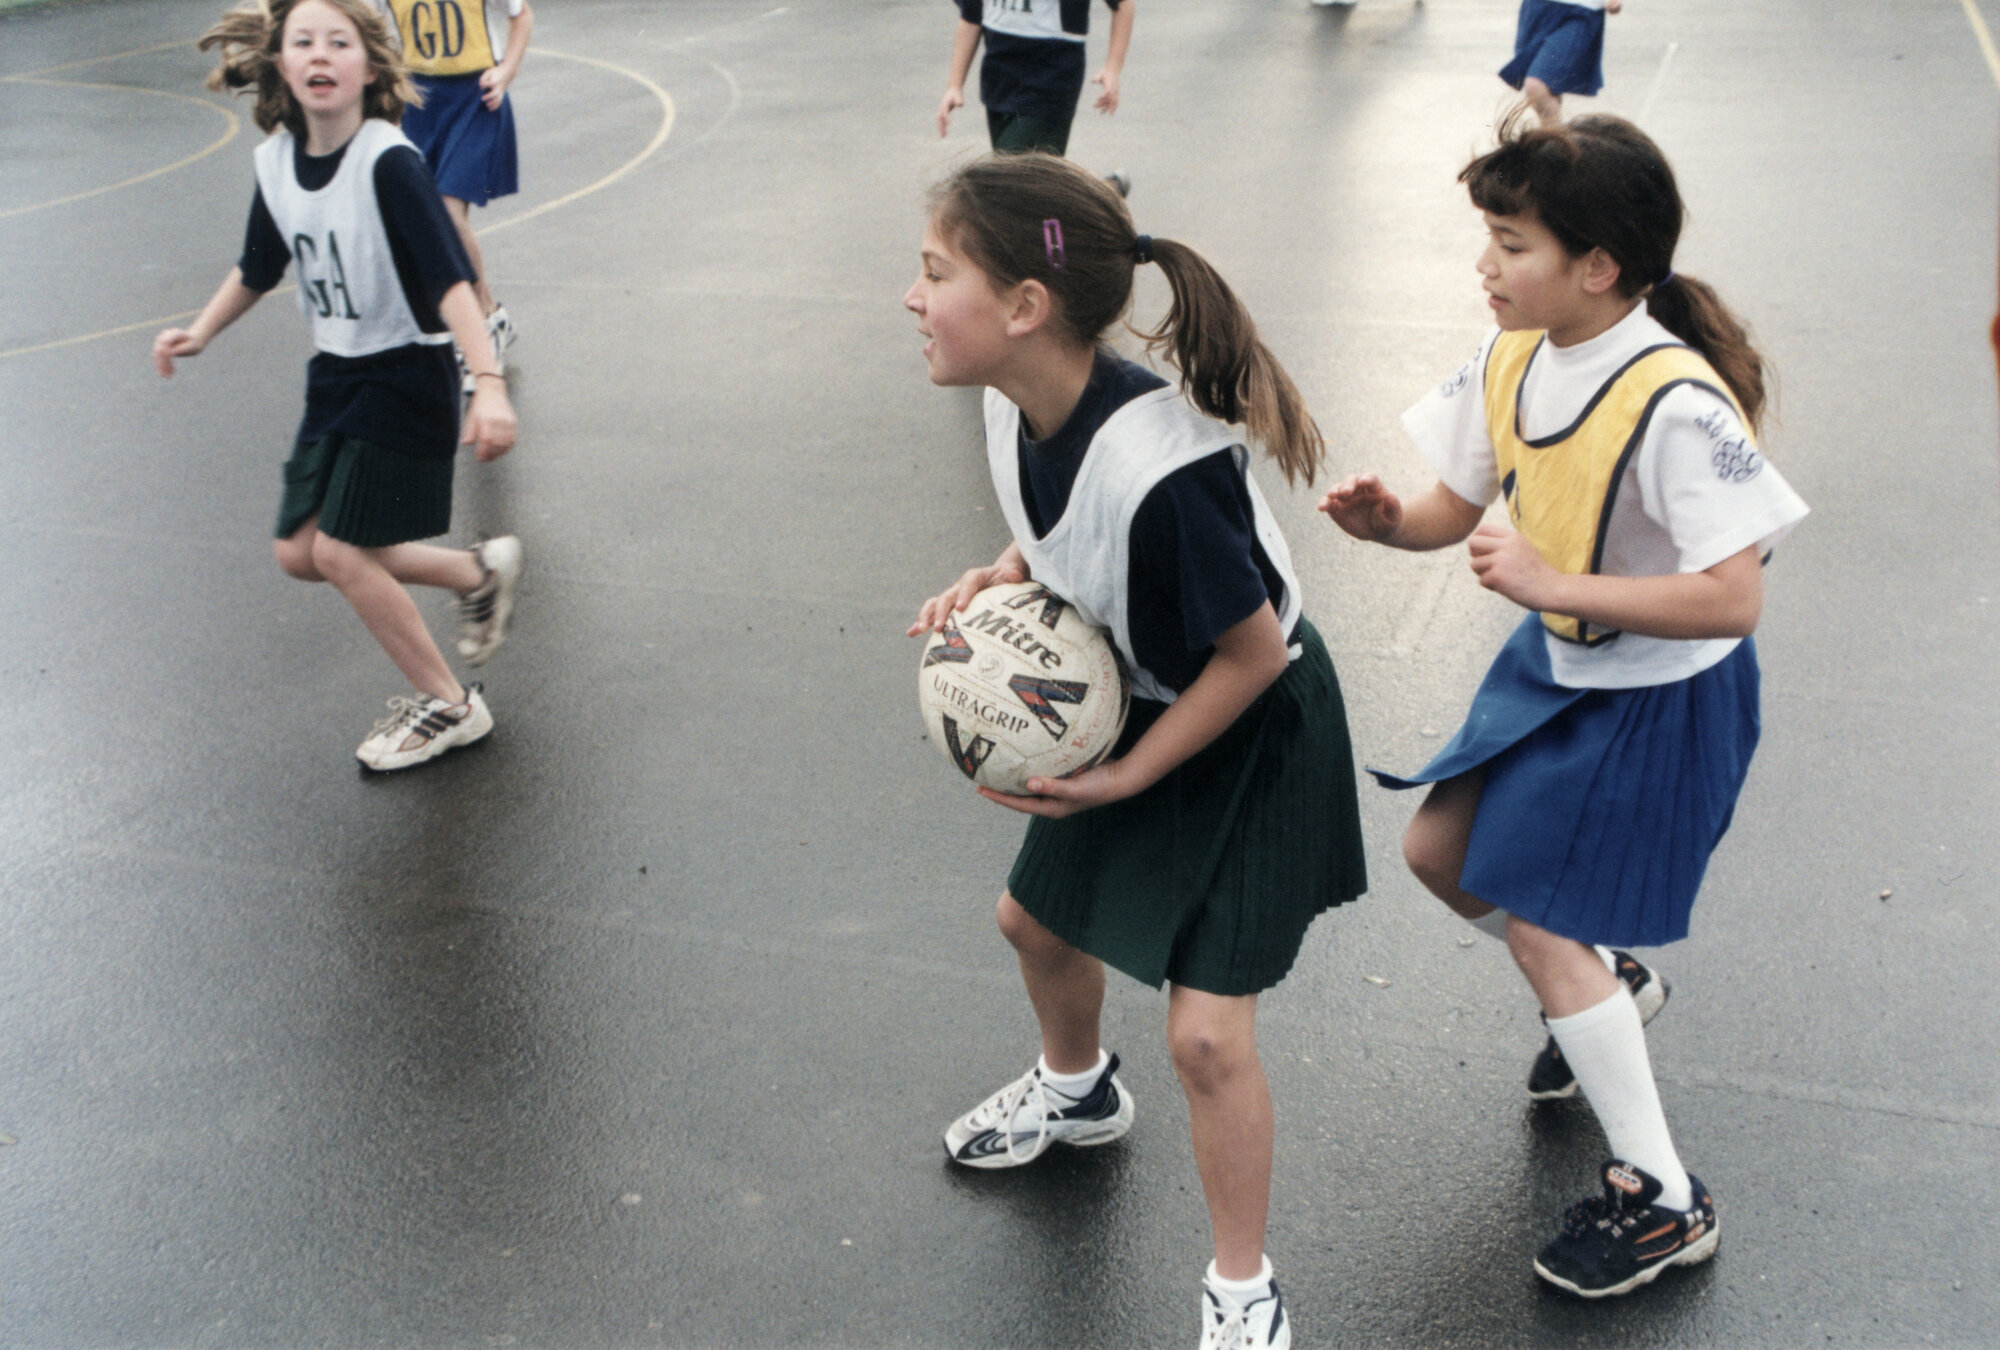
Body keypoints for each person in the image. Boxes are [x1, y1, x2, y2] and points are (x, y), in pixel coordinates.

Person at [1320, 111, 1807, 1298]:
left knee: (1540, 923)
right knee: (1438, 856)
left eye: (1509, 245)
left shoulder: (1673, 400)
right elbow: (1451, 505)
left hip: (1660, 692)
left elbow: (1732, 598)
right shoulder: (1513, 354)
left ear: (1597, 266)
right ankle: (1610, 989)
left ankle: (1665, 1200)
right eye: (1485, 240)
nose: (1482, 266)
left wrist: (1553, 585)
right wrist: (1390, 524)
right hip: (1560, 664)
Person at [905, 152, 1367, 1350]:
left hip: (1249, 725)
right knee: (1031, 924)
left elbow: (1251, 654)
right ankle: (1077, 1092)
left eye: (935, 272)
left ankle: (1242, 1290)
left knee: (1205, 1037)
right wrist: (1001, 575)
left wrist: (1124, 776)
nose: (912, 296)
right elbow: (1061, 529)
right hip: (1143, 698)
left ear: (1024, 306)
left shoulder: (1167, 472)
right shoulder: (1014, 401)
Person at [155, 0, 525, 772]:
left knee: (342, 551)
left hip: (407, 373)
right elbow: (259, 265)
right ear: (281, 63)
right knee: (299, 552)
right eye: (304, 41)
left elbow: (450, 281)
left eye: (339, 41)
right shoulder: (277, 162)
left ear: (371, 65)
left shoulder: (388, 162)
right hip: (336, 375)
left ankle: (452, 706)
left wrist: (488, 383)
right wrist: (201, 330)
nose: (320, 54)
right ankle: (475, 573)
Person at [369, 0, 533, 388]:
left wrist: (506, 71)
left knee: (447, 214)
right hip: (418, 102)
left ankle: (482, 332)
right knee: (426, 217)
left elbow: (521, 14)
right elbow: (367, 24)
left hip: (474, 98)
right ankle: (488, 314)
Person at [936, 0, 1133, 162]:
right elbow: (971, 16)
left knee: (1013, 179)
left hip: (1049, 83)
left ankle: (1093, 193)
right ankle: (1098, 192)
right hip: (998, 82)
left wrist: (1113, 69)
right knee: (1019, 182)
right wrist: (954, 86)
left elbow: (1123, 4)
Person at [1500, 0, 1622, 127]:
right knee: (1549, 88)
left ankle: (1554, 136)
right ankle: (1555, 135)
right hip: (1538, 8)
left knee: (1537, 85)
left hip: (1581, 11)